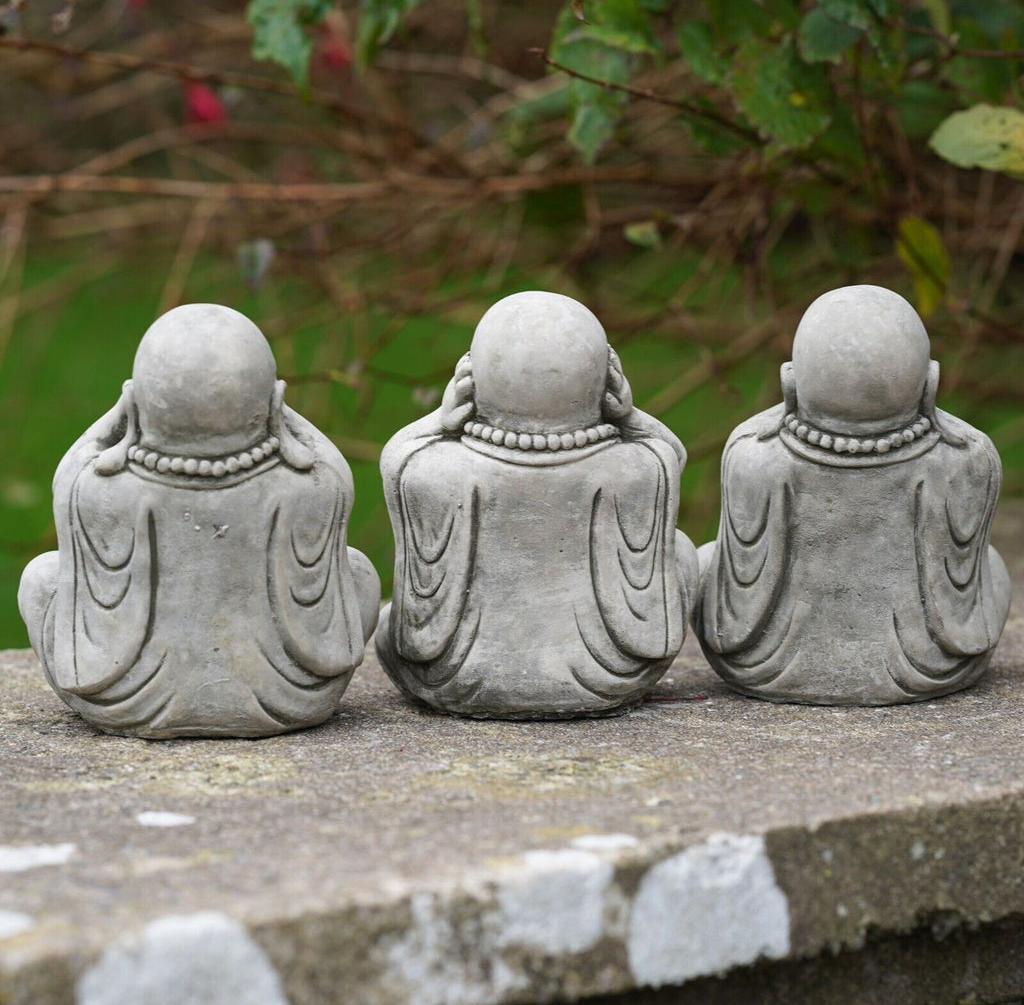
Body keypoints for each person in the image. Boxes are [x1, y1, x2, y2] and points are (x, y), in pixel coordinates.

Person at [19, 303, 380, 737]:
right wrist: (279, 416)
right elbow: (329, 462)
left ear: (134, 402)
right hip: (289, 701)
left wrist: (121, 418)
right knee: (356, 570)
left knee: (41, 575)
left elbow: (71, 472)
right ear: (274, 403)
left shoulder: (99, 489)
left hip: (127, 705)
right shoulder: (312, 485)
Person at [376, 290, 699, 718]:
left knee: (388, 619)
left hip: (457, 680)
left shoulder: (434, 467)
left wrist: (438, 420)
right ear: (605, 380)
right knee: (678, 550)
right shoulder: (636, 464)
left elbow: (393, 464)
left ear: (473, 381)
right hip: (606, 678)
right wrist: (631, 417)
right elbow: (672, 457)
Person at [694, 285, 1012, 705]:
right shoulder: (968, 456)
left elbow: (739, 589)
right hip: (929, 668)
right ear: (929, 381)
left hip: (765, 668)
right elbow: (963, 589)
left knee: (703, 557)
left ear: (790, 379)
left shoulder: (753, 452)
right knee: (991, 564)